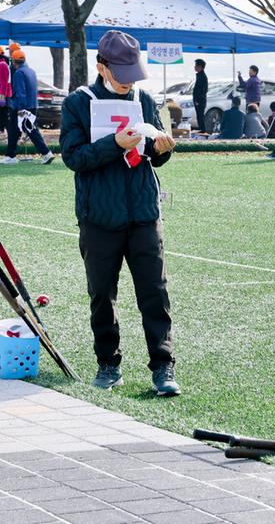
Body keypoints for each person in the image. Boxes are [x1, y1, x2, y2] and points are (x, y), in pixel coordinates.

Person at [59, 30, 180, 396]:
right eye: (122, 74)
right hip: (99, 215)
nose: (129, 82)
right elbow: (74, 157)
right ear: (102, 67)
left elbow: (154, 156)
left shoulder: (145, 97)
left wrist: (163, 148)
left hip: (143, 211)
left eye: (133, 73)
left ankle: (163, 367)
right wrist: (113, 144)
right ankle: (108, 364)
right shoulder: (78, 102)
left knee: (155, 292)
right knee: (101, 293)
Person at [3, 50, 55, 165]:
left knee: (27, 130)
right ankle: (11, 155)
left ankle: (46, 153)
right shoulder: (31, 71)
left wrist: (20, 109)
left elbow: (20, 92)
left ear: (14, 61)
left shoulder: (19, 73)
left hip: (22, 107)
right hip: (32, 106)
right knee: (19, 130)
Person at [192, 58, 208, 132]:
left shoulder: (202, 77)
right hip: (198, 100)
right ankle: (202, 129)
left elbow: (203, 90)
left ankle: (203, 130)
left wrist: (198, 100)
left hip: (200, 101)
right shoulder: (199, 76)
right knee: (199, 116)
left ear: (200, 67)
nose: (195, 67)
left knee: (200, 116)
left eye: (196, 66)